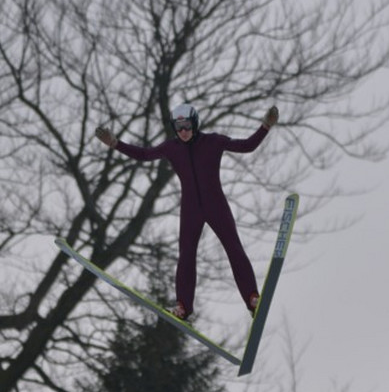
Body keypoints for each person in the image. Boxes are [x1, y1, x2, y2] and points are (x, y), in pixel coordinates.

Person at [96, 103, 279, 321]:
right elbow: (144, 154)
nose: (183, 131)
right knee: (186, 254)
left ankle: (251, 298)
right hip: (191, 208)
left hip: (215, 204)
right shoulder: (171, 148)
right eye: (178, 127)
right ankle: (183, 307)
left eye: (187, 126)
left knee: (233, 247)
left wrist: (265, 126)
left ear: (195, 123)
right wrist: (115, 143)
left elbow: (247, 146)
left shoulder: (213, 141)